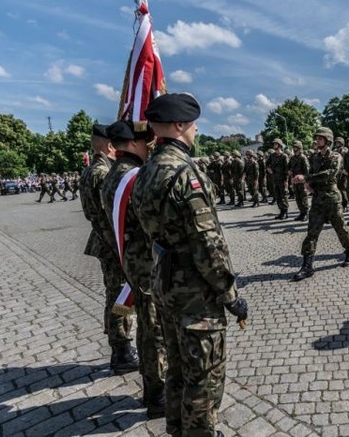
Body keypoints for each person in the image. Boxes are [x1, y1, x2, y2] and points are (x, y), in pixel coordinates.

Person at [132, 93, 247, 437]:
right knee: (204, 376)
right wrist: (230, 295)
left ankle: (177, 429)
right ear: (180, 126)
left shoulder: (146, 170)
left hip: (165, 284)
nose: (196, 131)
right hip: (195, 291)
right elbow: (208, 245)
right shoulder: (184, 173)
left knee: (179, 369)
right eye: (194, 125)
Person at [100, 120, 166, 419]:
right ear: (135, 143)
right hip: (146, 264)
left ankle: (154, 388)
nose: (151, 146)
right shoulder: (133, 177)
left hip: (129, 260)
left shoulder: (112, 174)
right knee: (154, 330)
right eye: (147, 142)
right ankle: (158, 393)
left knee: (146, 328)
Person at [79, 124, 138, 375]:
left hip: (106, 242)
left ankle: (119, 345)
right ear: (108, 145)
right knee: (121, 298)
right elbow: (112, 214)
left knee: (116, 295)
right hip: (113, 244)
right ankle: (122, 348)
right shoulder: (102, 173)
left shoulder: (92, 170)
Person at [292, 127, 349, 281]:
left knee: (340, 228)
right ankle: (307, 266)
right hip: (318, 199)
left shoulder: (336, 156)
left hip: (332, 199)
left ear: (328, 140)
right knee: (311, 233)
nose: (317, 141)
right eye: (317, 138)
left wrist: (306, 178)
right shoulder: (314, 157)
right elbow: (313, 175)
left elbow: (329, 175)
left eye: (320, 138)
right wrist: (308, 185)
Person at [267, 139, 290, 219]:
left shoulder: (284, 156)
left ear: (279, 145)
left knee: (283, 196)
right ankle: (281, 211)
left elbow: (287, 169)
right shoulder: (272, 155)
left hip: (282, 179)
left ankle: (285, 211)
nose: (274, 145)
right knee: (278, 196)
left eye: (275, 144)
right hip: (275, 179)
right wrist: (268, 169)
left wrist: (286, 181)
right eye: (273, 144)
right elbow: (267, 164)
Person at [288, 140, 310, 221]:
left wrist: (306, 182)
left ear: (299, 148)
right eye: (293, 147)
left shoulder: (303, 158)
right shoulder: (292, 158)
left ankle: (305, 213)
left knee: (303, 197)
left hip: (302, 181)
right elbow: (288, 167)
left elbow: (307, 171)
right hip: (295, 181)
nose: (294, 149)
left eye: (295, 147)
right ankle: (301, 213)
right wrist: (289, 171)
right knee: (297, 198)